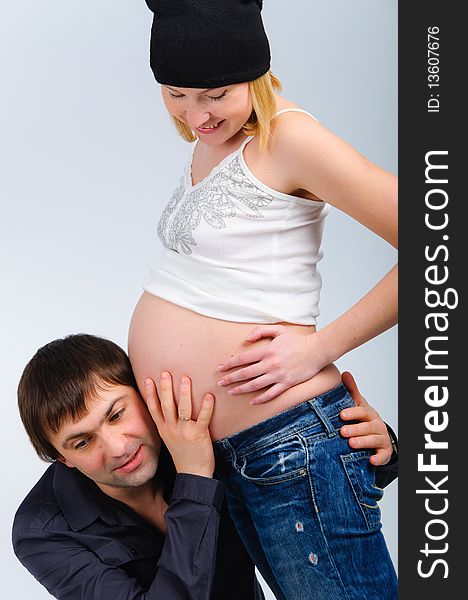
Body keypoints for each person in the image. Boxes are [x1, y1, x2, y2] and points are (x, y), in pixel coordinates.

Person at [128, 2, 398, 598]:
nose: (195, 115)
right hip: (235, 454)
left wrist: (319, 348)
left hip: (290, 446)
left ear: (255, 73)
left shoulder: (290, 137)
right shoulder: (217, 139)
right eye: (175, 93)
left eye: (214, 94)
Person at [12, 334, 396, 600]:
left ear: (143, 395)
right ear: (63, 459)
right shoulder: (41, 532)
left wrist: (380, 449)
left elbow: (300, 496)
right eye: (82, 442)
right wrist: (195, 478)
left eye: (116, 414)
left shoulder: (199, 431)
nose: (116, 447)